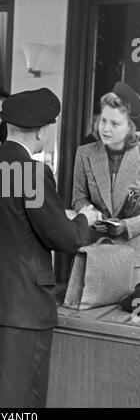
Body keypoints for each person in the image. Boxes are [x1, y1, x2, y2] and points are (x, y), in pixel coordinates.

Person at [0, 88, 99, 408]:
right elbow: (64, 239)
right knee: (18, 402)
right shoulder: (34, 172)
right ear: (44, 130)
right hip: (21, 309)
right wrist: (84, 218)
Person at [72, 81, 140, 286]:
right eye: (103, 121)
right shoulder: (85, 154)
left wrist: (126, 226)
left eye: (115, 124)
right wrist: (91, 213)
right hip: (95, 251)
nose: (105, 129)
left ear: (130, 127)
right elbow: (78, 197)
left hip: (135, 258)